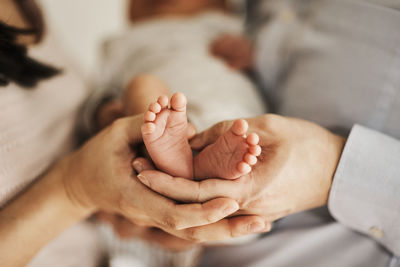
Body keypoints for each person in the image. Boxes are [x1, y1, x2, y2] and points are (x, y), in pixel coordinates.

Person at [0, 1, 270, 266]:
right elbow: (99, 92)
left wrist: (255, 56)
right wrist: (103, 111)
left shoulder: (225, 28)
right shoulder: (122, 43)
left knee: (239, 156)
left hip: (229, 125)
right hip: (179, 124)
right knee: (144, 88)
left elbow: (276, 74)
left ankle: (193, 165)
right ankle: (183, 160)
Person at [134, 0, 400, 266]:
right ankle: (180, 159)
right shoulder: (128, 42)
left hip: (236, 126)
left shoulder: (219, 25)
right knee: (148, 93)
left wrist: (328, 167)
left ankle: (183, 161)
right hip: (222, 124)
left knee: (175, 109)